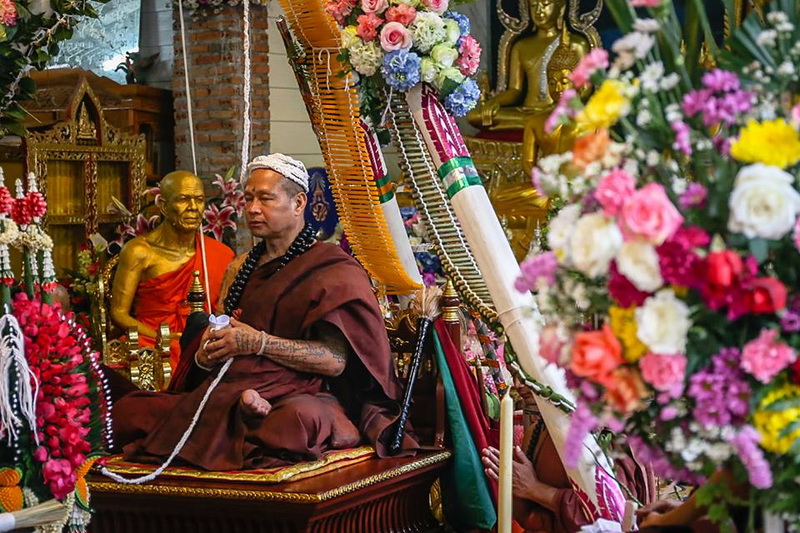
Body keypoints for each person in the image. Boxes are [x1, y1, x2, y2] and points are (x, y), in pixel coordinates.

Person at [111, 153, 418, 470]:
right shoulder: (239, 267)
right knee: (128, 412)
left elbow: (335, 361)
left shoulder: (333, 270)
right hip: (230, 389)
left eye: (266, 199)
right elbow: (222, 332)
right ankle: (241, 417)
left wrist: (260, 343)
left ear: (298, 204)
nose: (253, 209)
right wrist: (206, 353)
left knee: (300, 420)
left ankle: (244, 420)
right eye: (248, 199)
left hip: (298, 392)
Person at [482, 386, 654, 532]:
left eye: (527, 369)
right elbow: (532, 518)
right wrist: (509, 479)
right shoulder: (538, 430)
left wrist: (535, 489)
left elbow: (610, 521)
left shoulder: (608, 439)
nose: (519, 384)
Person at [110, 170, 234, 369]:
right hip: (152, 339)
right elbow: (118, 313)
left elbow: (223, 310)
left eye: (199, 200)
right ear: (163, 206)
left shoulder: (220, 253)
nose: (193, 208)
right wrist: (163, 338)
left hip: (203, 339)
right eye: (183, 200)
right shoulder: (139, 252)